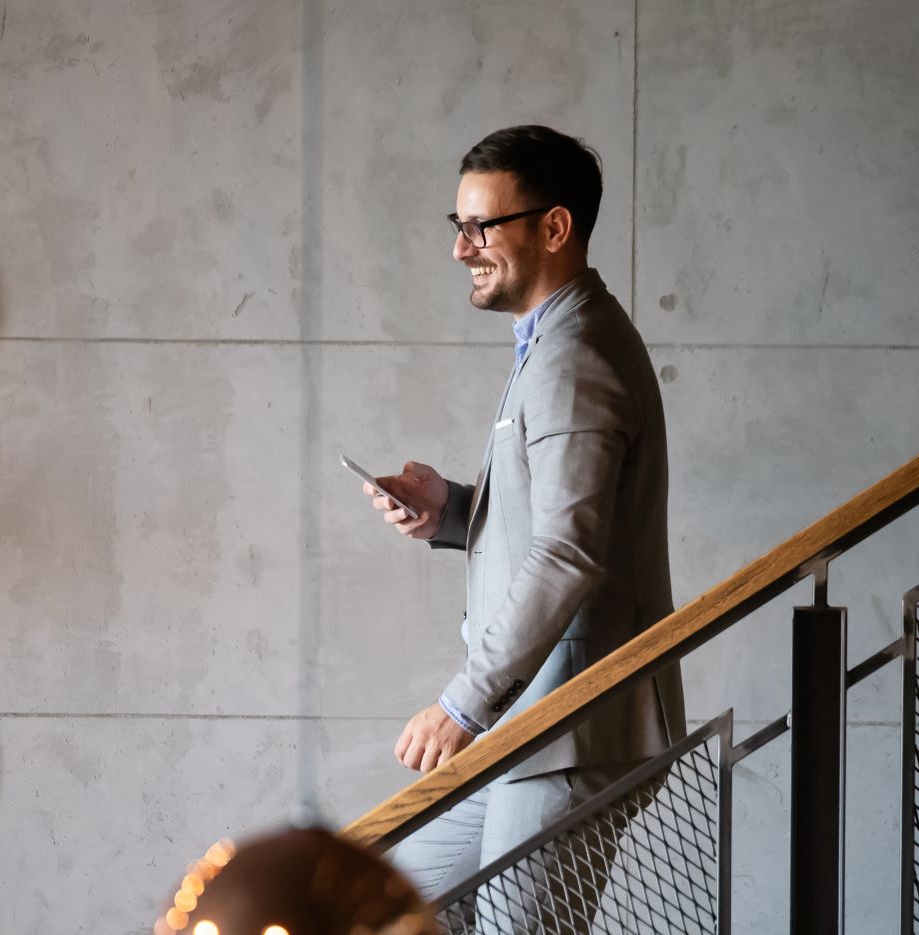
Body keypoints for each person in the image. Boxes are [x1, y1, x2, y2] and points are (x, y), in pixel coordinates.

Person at [364, 125, 686, 922]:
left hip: (569, 729)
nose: (461, 248)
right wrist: (451, 512)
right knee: (391, 904)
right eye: (457, 226)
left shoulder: (577, 353)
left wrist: (461, 705)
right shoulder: (552, 344)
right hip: (530, 726)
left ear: (554, 227)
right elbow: (567, 524)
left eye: (481, 227)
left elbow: (568, 553)